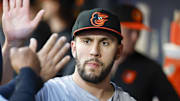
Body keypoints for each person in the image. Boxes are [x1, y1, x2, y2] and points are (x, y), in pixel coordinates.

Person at [109, 4, 180, 101]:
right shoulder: (95, 62)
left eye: (138, 32)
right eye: (130, 31)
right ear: (114, 29)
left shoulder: (150, 68)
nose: (135, 37)